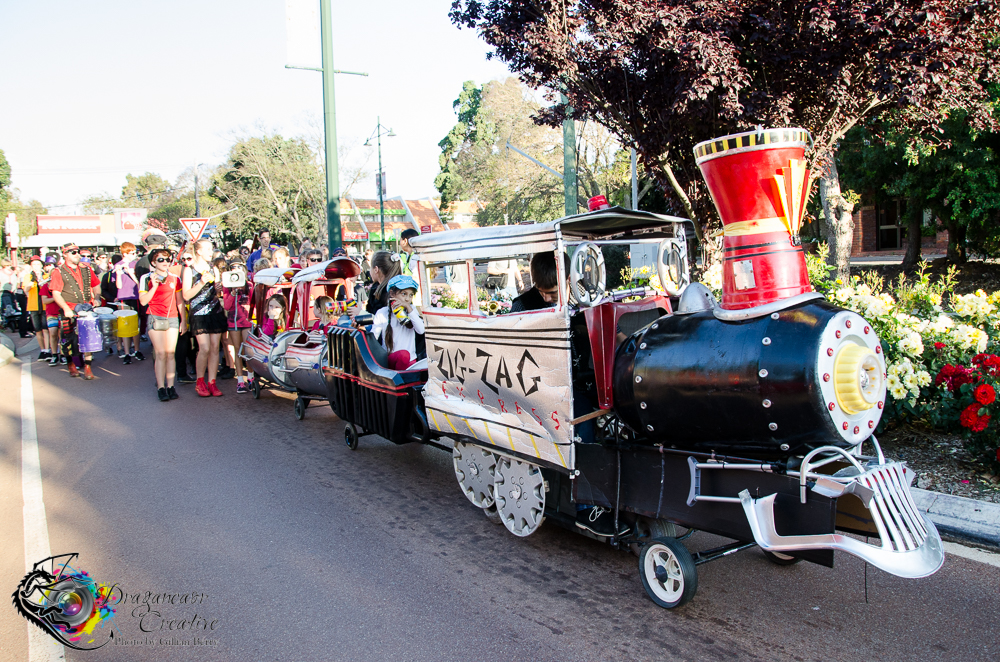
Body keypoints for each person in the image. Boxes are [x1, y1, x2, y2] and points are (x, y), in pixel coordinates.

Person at [138, 248, 186, 402]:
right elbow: (143, 301)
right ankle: (161, 387)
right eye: (161, 260)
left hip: (172, 317)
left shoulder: (175, 278)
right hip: (154, 317)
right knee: (160, 353)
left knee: (171, 353)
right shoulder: (146, 278)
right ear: (153, 262)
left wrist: (183, 321)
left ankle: (171, 386)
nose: (165, 262)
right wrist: (154, 285)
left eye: (168, 259)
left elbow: (180, 301)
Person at [48, 242, 101, 379]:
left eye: (78, 252)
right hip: (70, 309)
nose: (77, 255)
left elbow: (96, 286)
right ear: (65, 254)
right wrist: (65, 308)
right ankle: (71, 364)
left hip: (86, 307)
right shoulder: (58, 271)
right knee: (68, 339)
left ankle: (88, 367)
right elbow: (56, 293)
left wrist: (97, 298)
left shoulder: (87, 269)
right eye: (73, 252)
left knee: (89, 337)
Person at [182, 238, 228, 397]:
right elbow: (186, 295)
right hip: (199, 312)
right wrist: (201, 282)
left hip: (214, 310)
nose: (211, 252)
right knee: (205, 347)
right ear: (199, 251)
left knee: (215, 347)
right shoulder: (189, 269)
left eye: (212, 249)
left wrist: (219, 288)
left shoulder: (213, 268)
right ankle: (200, 381)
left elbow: (217, 292)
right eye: (208, 249)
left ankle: (212, 382)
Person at [371, 275, 424, 370]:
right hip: (391, 360)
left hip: (410, 361)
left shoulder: (413, 311)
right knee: (403, 354)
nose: (407, 299)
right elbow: (373, 338)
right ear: (392, 293)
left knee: (406, 356)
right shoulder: (382, 312)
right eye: (404, 294)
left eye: (411, 295)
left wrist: (409, 310)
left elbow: (421, 330)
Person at [222, 263, 253, 393]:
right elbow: (227, 306)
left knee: (248, 349)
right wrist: (233, 292)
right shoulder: (227, 286)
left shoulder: (249, 285)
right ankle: (240, 380)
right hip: (233, 322)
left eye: (239, 268)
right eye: (233, 269)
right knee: (237, 349)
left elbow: (252, 302)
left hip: (246, 321)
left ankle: (251, 377)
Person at [114, 241, 144, 364]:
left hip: (135, 296)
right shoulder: (118, 265)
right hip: (124, 297)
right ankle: (126, 352)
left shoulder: (135, 264)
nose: (134, 255)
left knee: (135, 325)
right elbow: (119, 286)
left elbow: (139, 283)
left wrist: (131, 273)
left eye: (134, 252)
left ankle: (136, 350)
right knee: (124, 325)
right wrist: (119, 273)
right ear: (125, 253)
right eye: (131, 253)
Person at [22, 256, 50, 358]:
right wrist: (33, 280)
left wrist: (41, 279)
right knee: (38, 330)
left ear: (42, 265)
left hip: (44, 306)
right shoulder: (28, 276)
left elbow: (48, 288)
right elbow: (26, 290)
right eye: (34, 264)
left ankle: (48, 349)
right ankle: (42, 350)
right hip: (33, 306)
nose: (36, 266)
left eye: (38, 264)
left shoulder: (46, 276)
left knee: (45, 328)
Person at [360, 251, 402, 317]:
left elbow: (383, 320)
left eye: (371, 267)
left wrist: (360, 313)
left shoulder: (392, 293)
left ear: (376, 269)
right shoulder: (375, 288)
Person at [38, 264, 62, 365]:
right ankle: (54, 354)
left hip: (62, 312)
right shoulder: (45, 286)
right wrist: (56, 298)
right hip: (51, 313)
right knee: (53, 333)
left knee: (62, 334)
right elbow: (45, 300)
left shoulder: (63, 285)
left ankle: (63, 355)